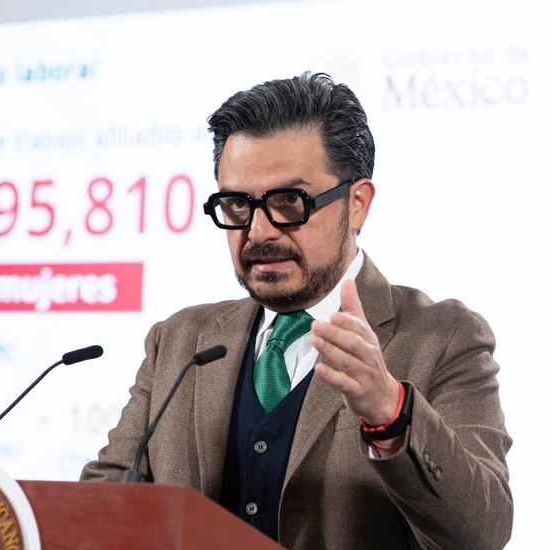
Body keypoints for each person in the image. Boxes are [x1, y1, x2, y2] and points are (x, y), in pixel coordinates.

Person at [81, 73, 512, 549]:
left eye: (290, 202)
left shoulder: (443, 338)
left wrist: (390, 413)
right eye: (237, 204)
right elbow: (103, 500)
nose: (259, 231)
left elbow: (481, 533)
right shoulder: (180, 341)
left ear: (357, 204)